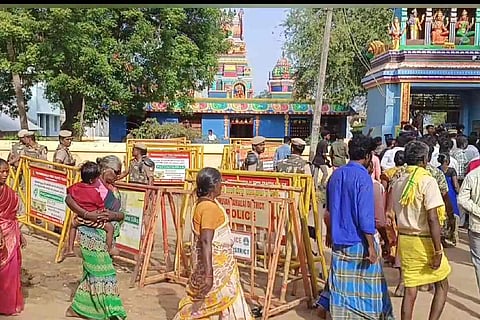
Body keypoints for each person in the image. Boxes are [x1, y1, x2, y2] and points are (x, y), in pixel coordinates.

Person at [325, 134, 394, 319]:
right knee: (369, 288)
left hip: (339, 241)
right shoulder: (363, 178)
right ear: (368, 156)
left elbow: (329, 210)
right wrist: (371, 246)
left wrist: (330, 233)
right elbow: (365, 217)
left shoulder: (336, 175)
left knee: (341, 288)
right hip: (359, 242)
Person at [173, 167, 252, 319]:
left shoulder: (204, 203)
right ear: (214, 185)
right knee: (215, 300)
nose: (222, 185)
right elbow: (206, 241)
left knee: (223, 304)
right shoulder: (208, 207)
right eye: (221, 182)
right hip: (216, 268)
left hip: (219, 266)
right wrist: (209, 275)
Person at [389, 140, 451, 320]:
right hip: (425, 240)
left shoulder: (399, 180)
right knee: (442, 285)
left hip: (406, 240)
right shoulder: (426, 180)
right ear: (424, 159)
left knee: (410, 289)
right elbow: (432, 217)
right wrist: (438, 250)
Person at [65, 155, 127, 320]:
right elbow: (69, 198)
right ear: (104, 170)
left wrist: (113, 214)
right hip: (90, 233)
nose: (118, 175)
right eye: (116, 172)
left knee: (92, 273)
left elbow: (122, 215)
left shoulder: (114, 191)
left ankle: (79, 308)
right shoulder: (92, 186)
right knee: (104, 272)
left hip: (106, 234)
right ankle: (111, 310)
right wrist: (86, 214)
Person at [63, 161, 119, 260]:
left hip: (80, 218)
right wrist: (103, 212)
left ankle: (70, 249)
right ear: (91, 180)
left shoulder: (75, 187)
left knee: (72, 225)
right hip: (93, 219)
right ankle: (109, 248)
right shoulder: (94, 192)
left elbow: (69, 192)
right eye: (97, 178)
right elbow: (100, 206)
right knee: (110, 228)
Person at [0, 158, 26, 316]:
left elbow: (14, 216)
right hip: (2, 235)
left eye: (6, 172)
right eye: (1, 172)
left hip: (11, 234)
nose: (4, 175)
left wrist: (20, 234)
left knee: (11, 271)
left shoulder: (11, 193)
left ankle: (7, 304)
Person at [457, 162, 480, 295]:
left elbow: (462, 199)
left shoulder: (473, 176)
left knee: (478, 262)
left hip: (477, 226)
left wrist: (477, 211)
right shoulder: (472, 176)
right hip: (476, 227)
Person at [438, 153, 460, 246]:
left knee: (442, 216)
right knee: (454, 216)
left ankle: (442, 239)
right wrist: (459, 191)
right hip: (450, 195)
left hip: (440, 195)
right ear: (447, 161)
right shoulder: (452, 171)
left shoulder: (437, 170)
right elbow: (455, 184)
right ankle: (454, 237)